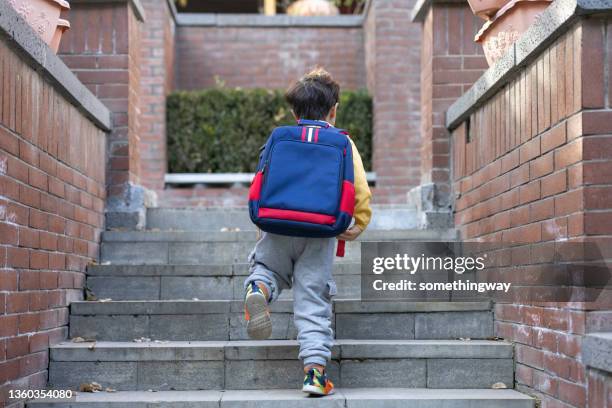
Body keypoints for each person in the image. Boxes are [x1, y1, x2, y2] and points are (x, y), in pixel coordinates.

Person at [243, 68, 372, 396]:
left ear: (293, 111)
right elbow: (360, 191)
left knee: (268, 268)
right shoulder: (342, 141)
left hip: (277, 224)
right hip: (321, 232)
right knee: (313, 300)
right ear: (334, 110)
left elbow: (263, 178)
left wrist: (261, 224)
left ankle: (260, 288)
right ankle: (314, 375)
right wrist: (355, 226)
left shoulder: (280, 137)